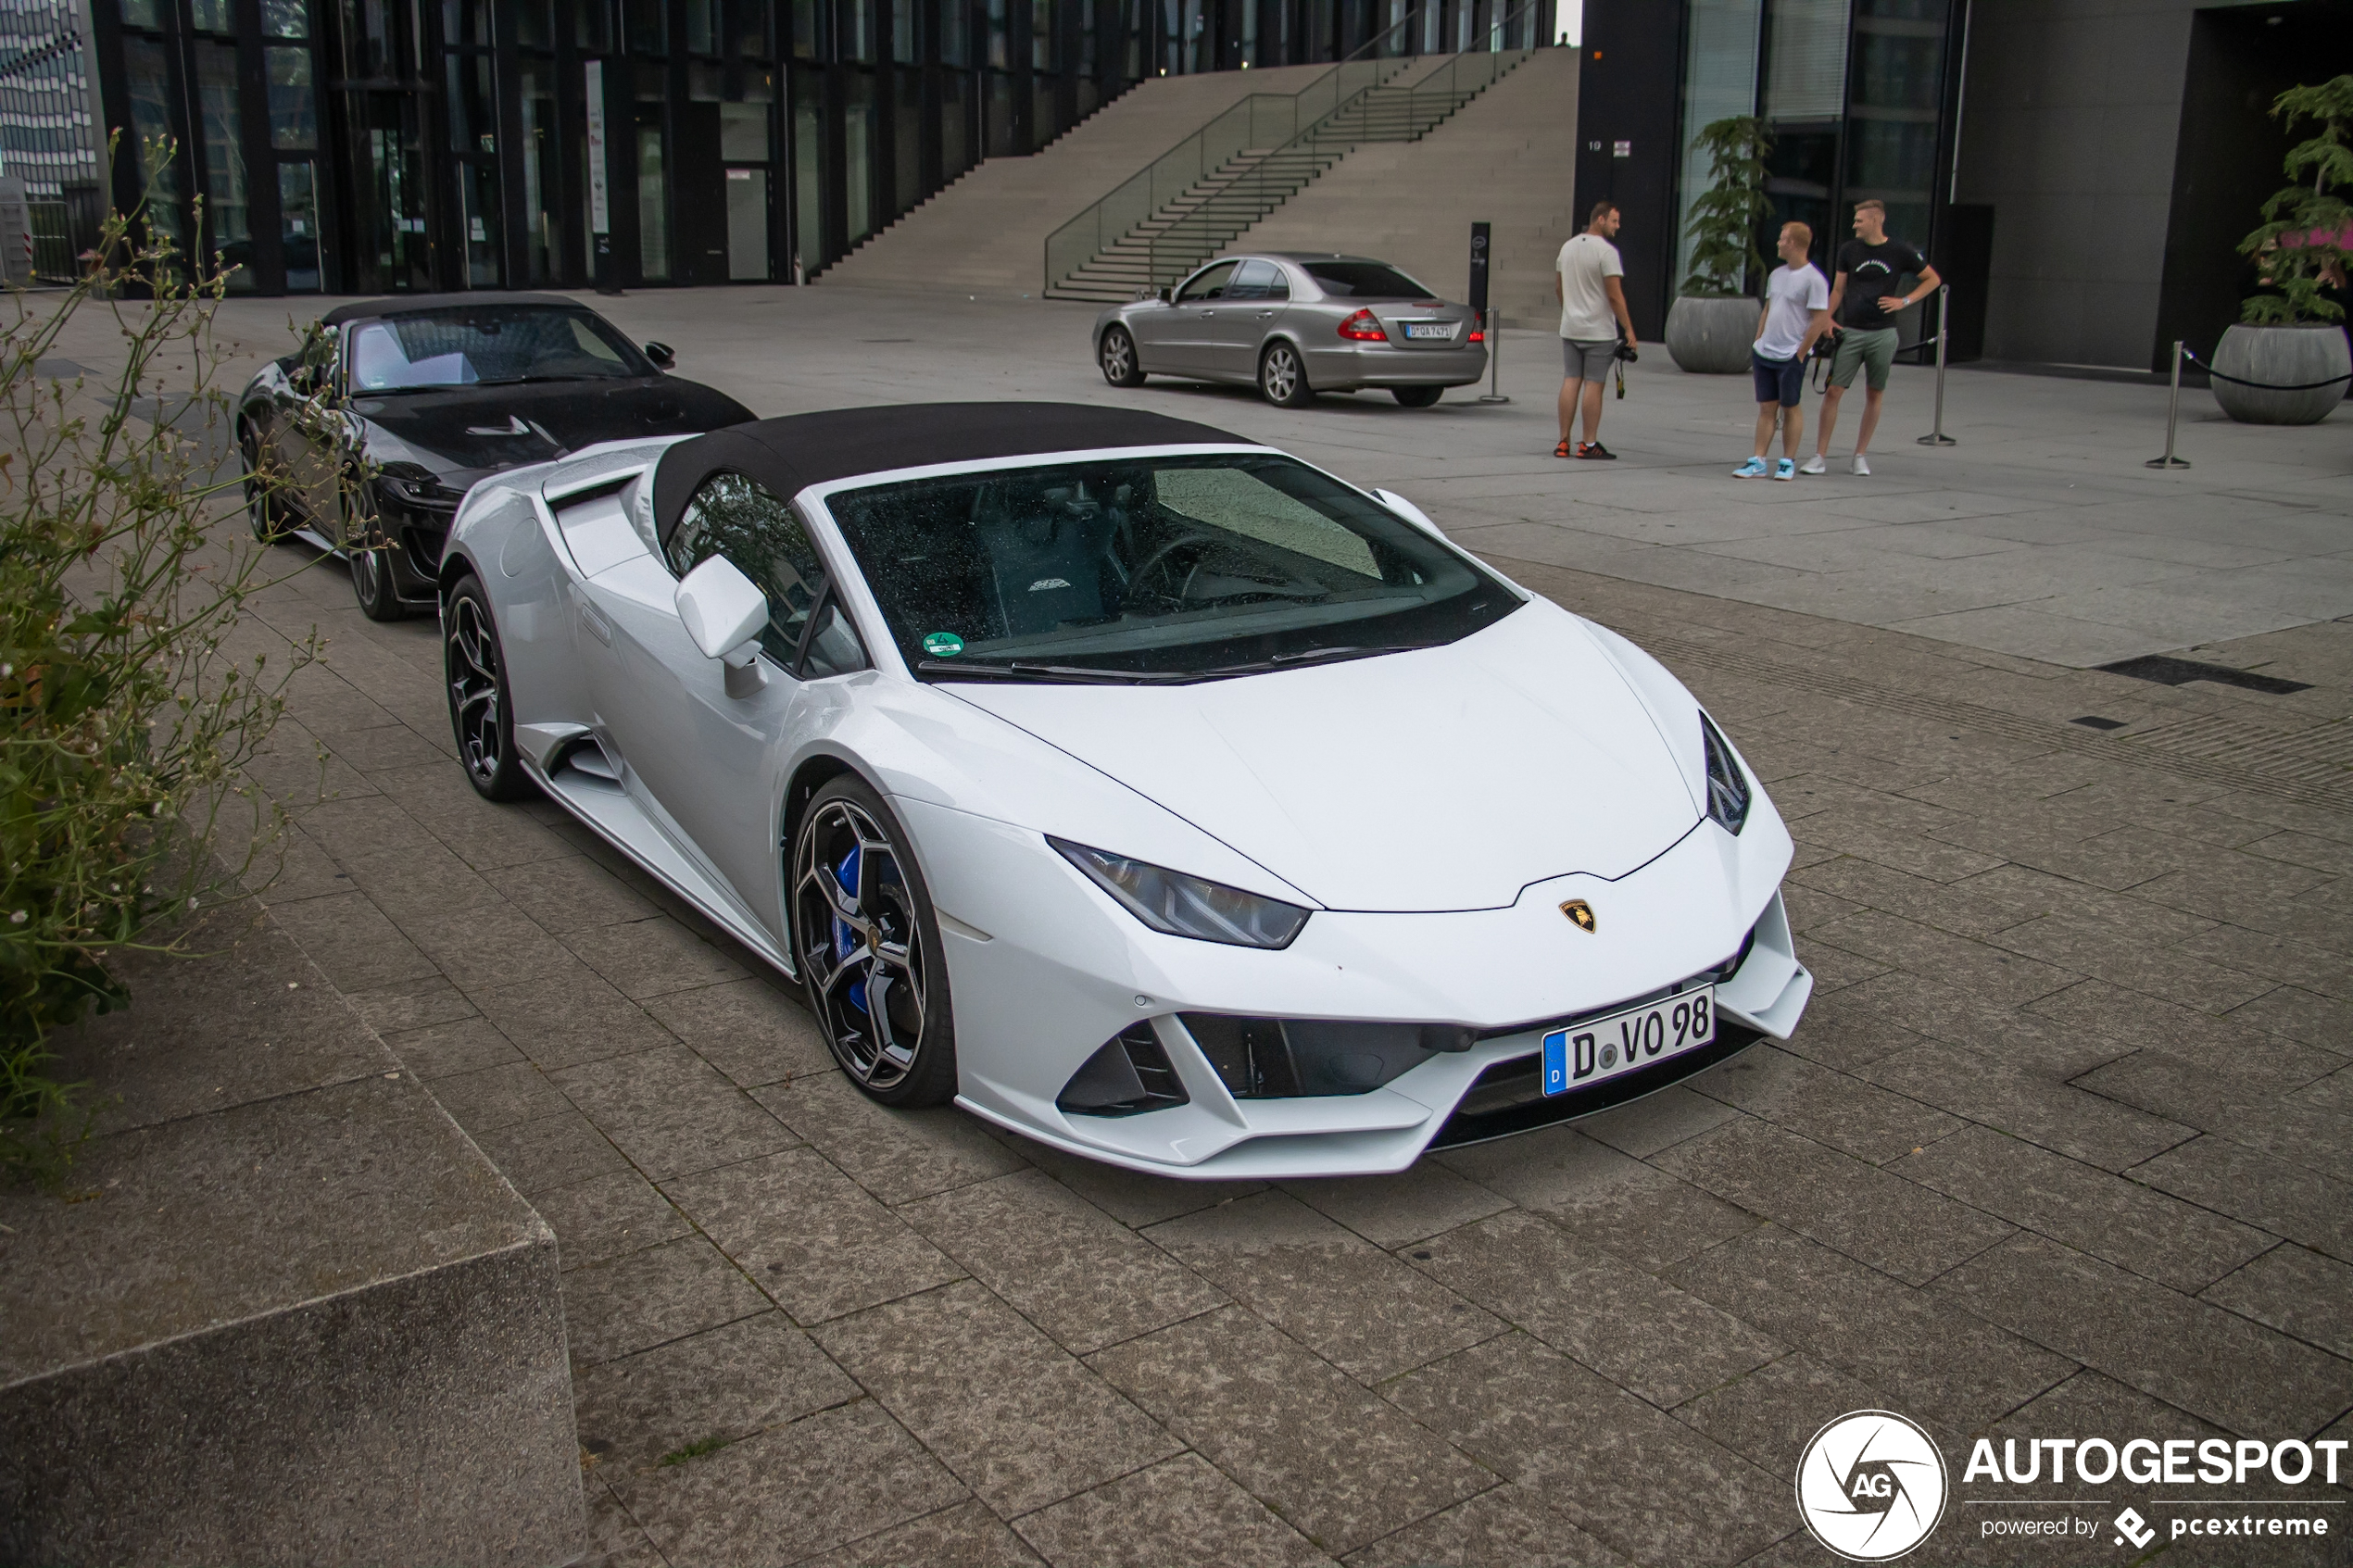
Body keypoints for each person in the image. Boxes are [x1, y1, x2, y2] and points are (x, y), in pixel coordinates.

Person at [1803, 199, 1940, 476]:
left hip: (1883, 332)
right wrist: (1827, 318)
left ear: (1876, 221)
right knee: (1833, 391)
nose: (1855, 224)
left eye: (1859, 220)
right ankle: (1819, 455)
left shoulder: (1900, 251)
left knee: (1875, 392)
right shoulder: (1849, 250)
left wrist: (1904, 301)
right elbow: (1838, 289)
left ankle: (1860, 455)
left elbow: (1932, 279)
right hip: (1850, 330)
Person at [1735, 221, 1831, 481]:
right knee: (1767, 407)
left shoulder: (1814, 279)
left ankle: (1787, 461)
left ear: (1794, 244)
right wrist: (1759, 338)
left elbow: (1819, 319)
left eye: (1782, 238)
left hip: (1790, 355)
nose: (1778, 242)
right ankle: (1758, 460)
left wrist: (1801, 353)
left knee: (1790, 406)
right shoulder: (1777, 274)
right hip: (1765, 352)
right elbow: (1768, 307)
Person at [1554, 202, 1640, 460]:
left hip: (1571, 327)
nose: (1617, 226)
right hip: (1598, 331)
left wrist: (1569, 312)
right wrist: (1629, 330)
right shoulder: (1606, 252)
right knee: (1594, 384)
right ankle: (1588, 444)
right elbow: (1615, 296)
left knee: (1571, 380)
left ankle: (1563, 442)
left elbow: (1559, 288)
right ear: (1600, 219)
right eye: (1614, 221)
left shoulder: (1567, 247)